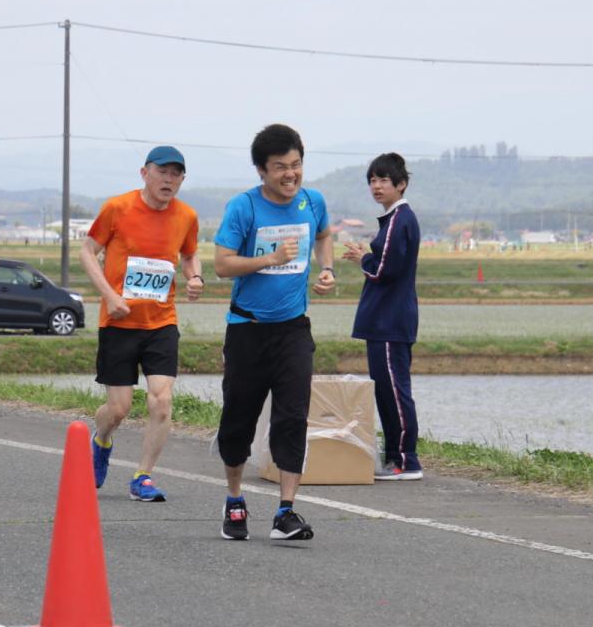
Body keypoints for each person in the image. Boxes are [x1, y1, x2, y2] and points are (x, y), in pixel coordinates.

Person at [213, 124, 335, 541]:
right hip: (247, 329)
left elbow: (323, 237)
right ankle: (234, 501)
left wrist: (327, 268)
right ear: (262, 171)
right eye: (280, 167)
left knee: (293, 416)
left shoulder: (312, 201)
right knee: (238, 420)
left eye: (296, 165)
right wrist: (266, 260)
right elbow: (223, 264)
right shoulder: (243, 207)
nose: (291, 174)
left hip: (293, 330)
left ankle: (286, 512)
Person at [80, 146, 202, 501]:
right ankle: (101, 440)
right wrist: (109, 296)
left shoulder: (187, 216)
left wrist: (195, 278)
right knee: (117, 410)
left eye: (176, 173)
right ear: (144, 172)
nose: (169, 179)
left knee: (161, 401)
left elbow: (190, 254)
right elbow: (88, 251)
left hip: (161, 322)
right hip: (118, 322)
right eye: (162, 171)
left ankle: (143, 477)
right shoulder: (117, 208)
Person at [342, 152, 423, 481]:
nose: (376, 186)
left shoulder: (399, 219)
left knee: (394, 390)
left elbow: (385, 272)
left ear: (401, 185)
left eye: (383, 180)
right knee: (387, 390)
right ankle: (396, 457)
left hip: (389, 321)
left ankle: (406, 459)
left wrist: (363, 257)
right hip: (386, 321)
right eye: (372, 181)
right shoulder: (394, 219)